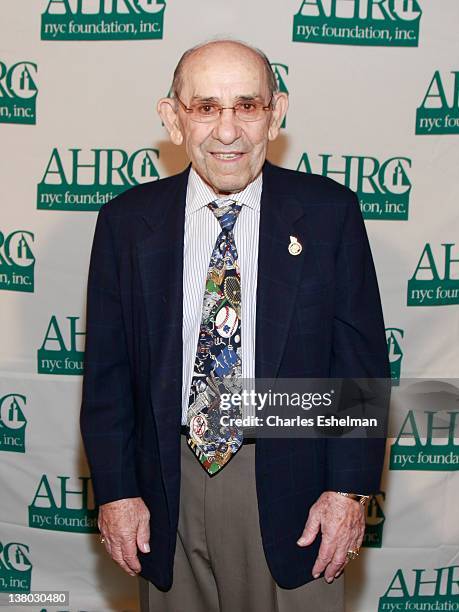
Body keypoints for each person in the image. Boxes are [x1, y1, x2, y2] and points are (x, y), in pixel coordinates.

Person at [80, 39, 390, 612]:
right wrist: (118, 492)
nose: (228, 131)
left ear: (277, 113)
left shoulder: (330, 215)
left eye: (247, 106)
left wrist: (348, 492)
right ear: (173, 119)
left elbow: (360, 369)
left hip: (294, 493)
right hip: (165, 490)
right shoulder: (126, 223)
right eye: (206, 108)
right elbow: (108, 374)